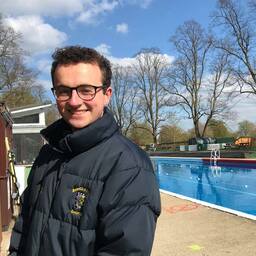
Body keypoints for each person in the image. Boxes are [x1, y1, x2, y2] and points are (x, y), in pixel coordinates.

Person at [9, 46, 161, 256]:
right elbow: (25, 222)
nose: (74, 101)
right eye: (64, 91)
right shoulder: (49, 154)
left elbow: (123, 251)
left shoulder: (128, 165)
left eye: (86, 90)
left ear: (107, 94)